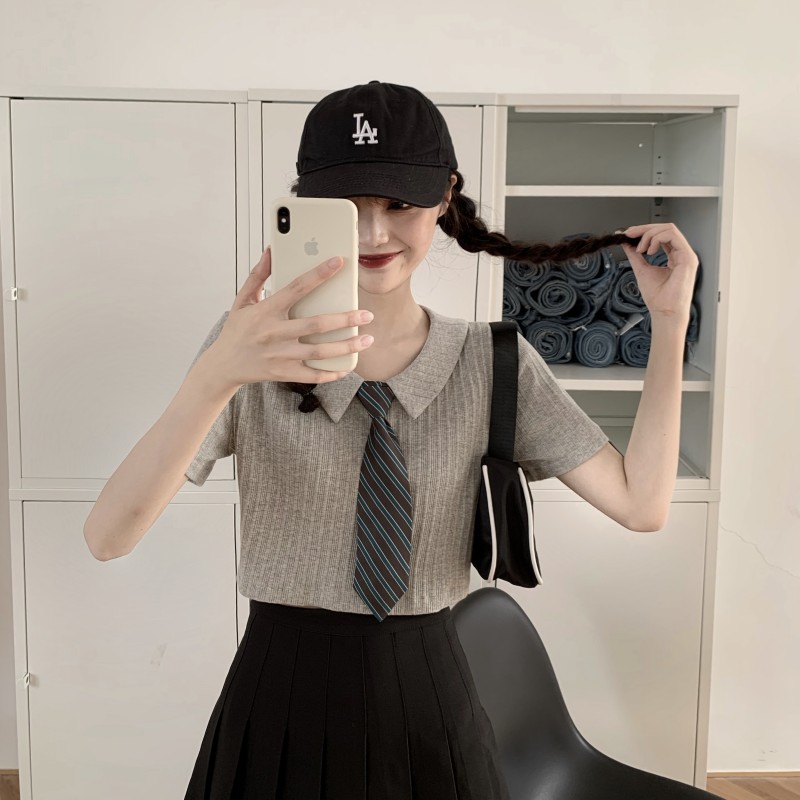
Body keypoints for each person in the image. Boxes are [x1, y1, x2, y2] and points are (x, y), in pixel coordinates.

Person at [174, 81, 699, 799]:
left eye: (399, 204)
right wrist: (218, 371)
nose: (373, 234)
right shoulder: (250, 349)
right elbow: (108, 535)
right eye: (348, 206)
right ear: (307, 205)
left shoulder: (494, 362)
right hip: (276, 701)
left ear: (445, 196)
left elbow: (642, 505)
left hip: (431, 703)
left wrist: (668, 323)